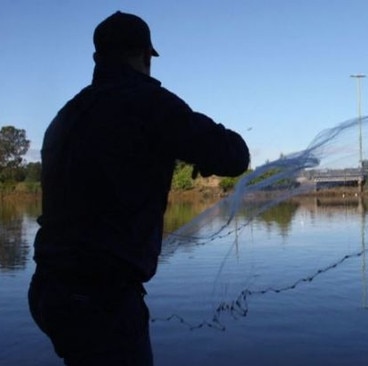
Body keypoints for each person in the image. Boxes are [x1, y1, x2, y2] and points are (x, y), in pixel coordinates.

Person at [28, 11, 250, 365]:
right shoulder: (147, 103)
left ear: (97, 58)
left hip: (48, 291)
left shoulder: (66, 115)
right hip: (100, 300)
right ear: (147, 56)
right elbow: (235, 155)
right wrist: (198, 154)